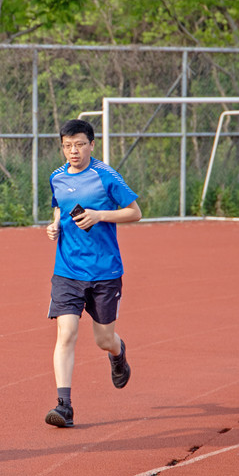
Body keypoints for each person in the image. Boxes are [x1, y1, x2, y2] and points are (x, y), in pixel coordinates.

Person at [44, 118, 141, 428]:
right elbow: (59, 206)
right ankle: (64, 406)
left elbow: (135, 212)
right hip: (67, 270)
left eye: (79, 145)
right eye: (67, 146)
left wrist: (100, 215)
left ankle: (118, 353)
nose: (73, 151)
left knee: (104, 339)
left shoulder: (105, 176)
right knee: (66, 334)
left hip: (104, 271)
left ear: (91, 145)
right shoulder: (57, 177)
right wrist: (54, 225)